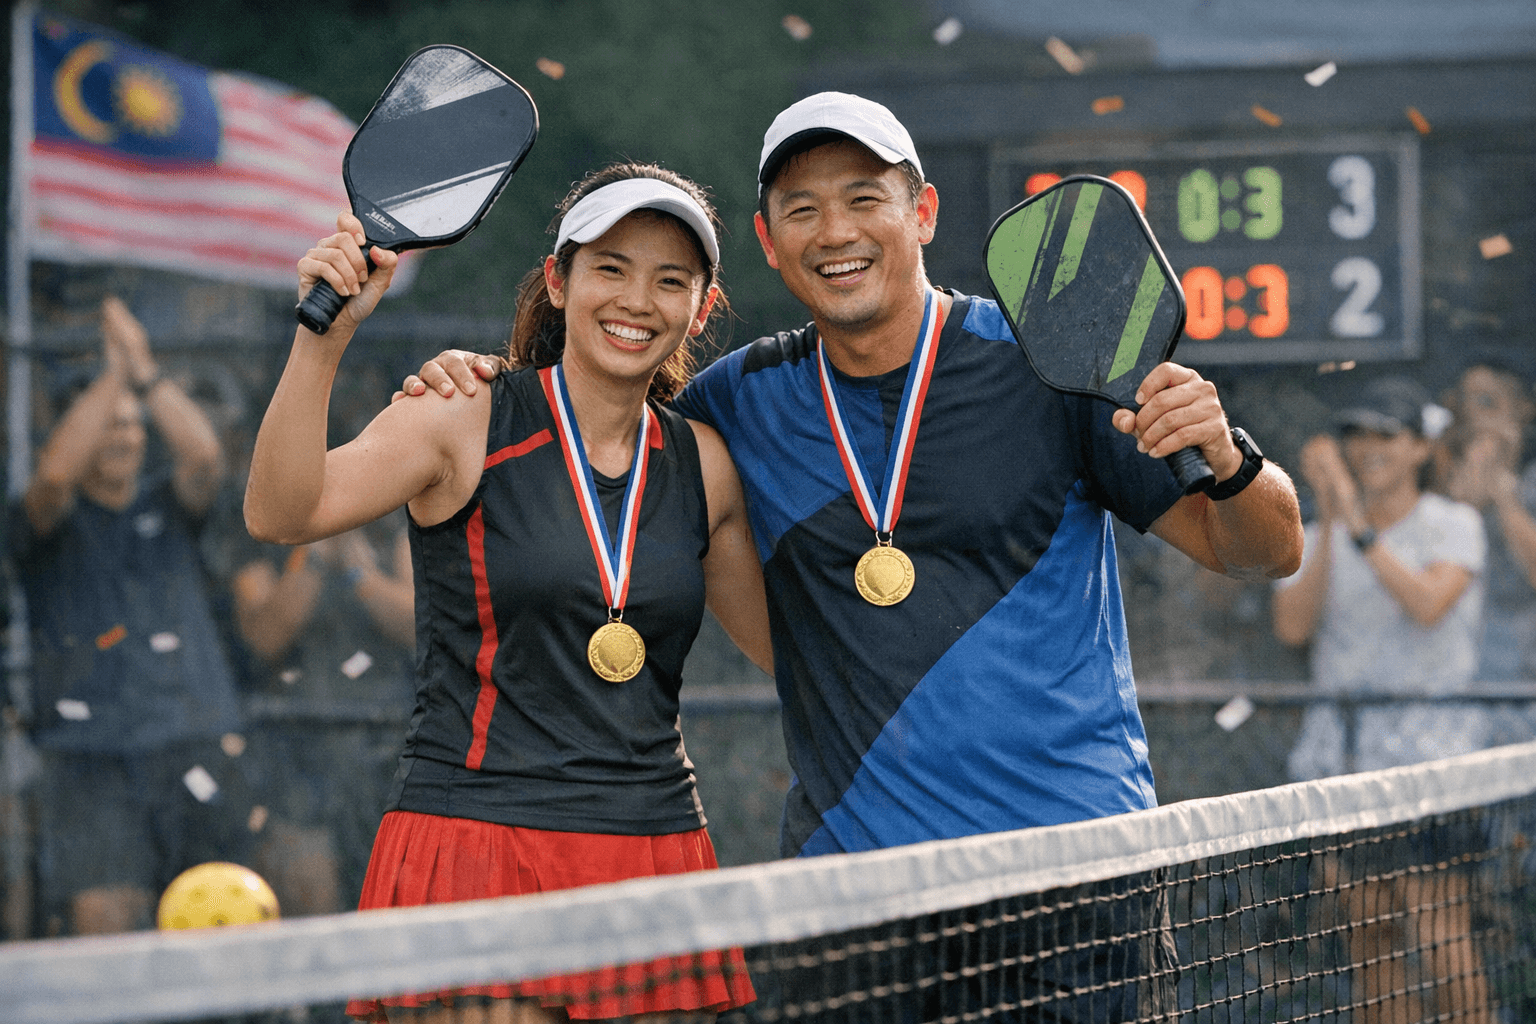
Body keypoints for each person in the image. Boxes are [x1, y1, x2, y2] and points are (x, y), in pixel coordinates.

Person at [407, 92, 1303, 1020]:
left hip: (1074, 885)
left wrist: (1233, 464)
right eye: (802, 208)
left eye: (864, 197)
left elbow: (1265, 551)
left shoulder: (1050, 362)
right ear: (767, 239)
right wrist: (477, 384)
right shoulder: (736, 404)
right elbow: (587, 413)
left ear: (922, 213)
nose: (835, 230)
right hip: (850, 909)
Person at [245, 162, 768, 1023]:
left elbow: (792, 650)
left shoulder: (706, 466)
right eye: (610, 268)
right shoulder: (462, 414)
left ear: (699, 310)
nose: (637, 299)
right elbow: (280, 511)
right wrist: (323, 339)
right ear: (559, 281)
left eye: (670, 280)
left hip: (654, 856)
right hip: (478, 847)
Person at [8, 296, 248, 936]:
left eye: (134, 423)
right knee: (105, 920)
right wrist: (115, 376)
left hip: (192, 738)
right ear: (76, 428)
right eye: (108, 423)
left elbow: (203, 458)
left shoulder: (169, 507)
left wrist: (144, 375)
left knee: (214, 914)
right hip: (89, 756)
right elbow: (54, 478)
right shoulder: (43, 519)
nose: (126, 432)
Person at [1272, 375, 1491, 1024]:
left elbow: (1427, 605)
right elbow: (1292, 627)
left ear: (1420, 448)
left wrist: (1362, 528)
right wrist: (1334, 519)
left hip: (1434, 767)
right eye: (1356, 435)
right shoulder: (1320, 532)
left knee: (1439, 930)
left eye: (1385, 436)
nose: (1368, 448)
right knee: (1370, 942)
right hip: (1344, 766)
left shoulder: (1454, 524)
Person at [231, 519, 416, 917]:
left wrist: (357, 570)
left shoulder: (393, 516)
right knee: (313, 909)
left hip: (387, 743)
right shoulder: (261, 519)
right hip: (295, 749)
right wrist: (314, 555)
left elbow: (417, 624)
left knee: (393, 903)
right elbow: (265, 636)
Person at [1434, 362, 1536, 681]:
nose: (1474, 413)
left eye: (1487, 401)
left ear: (1523, 408)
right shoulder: (1443, 471)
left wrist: (1503, 493)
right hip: (1465, 672)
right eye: (1465, 401)